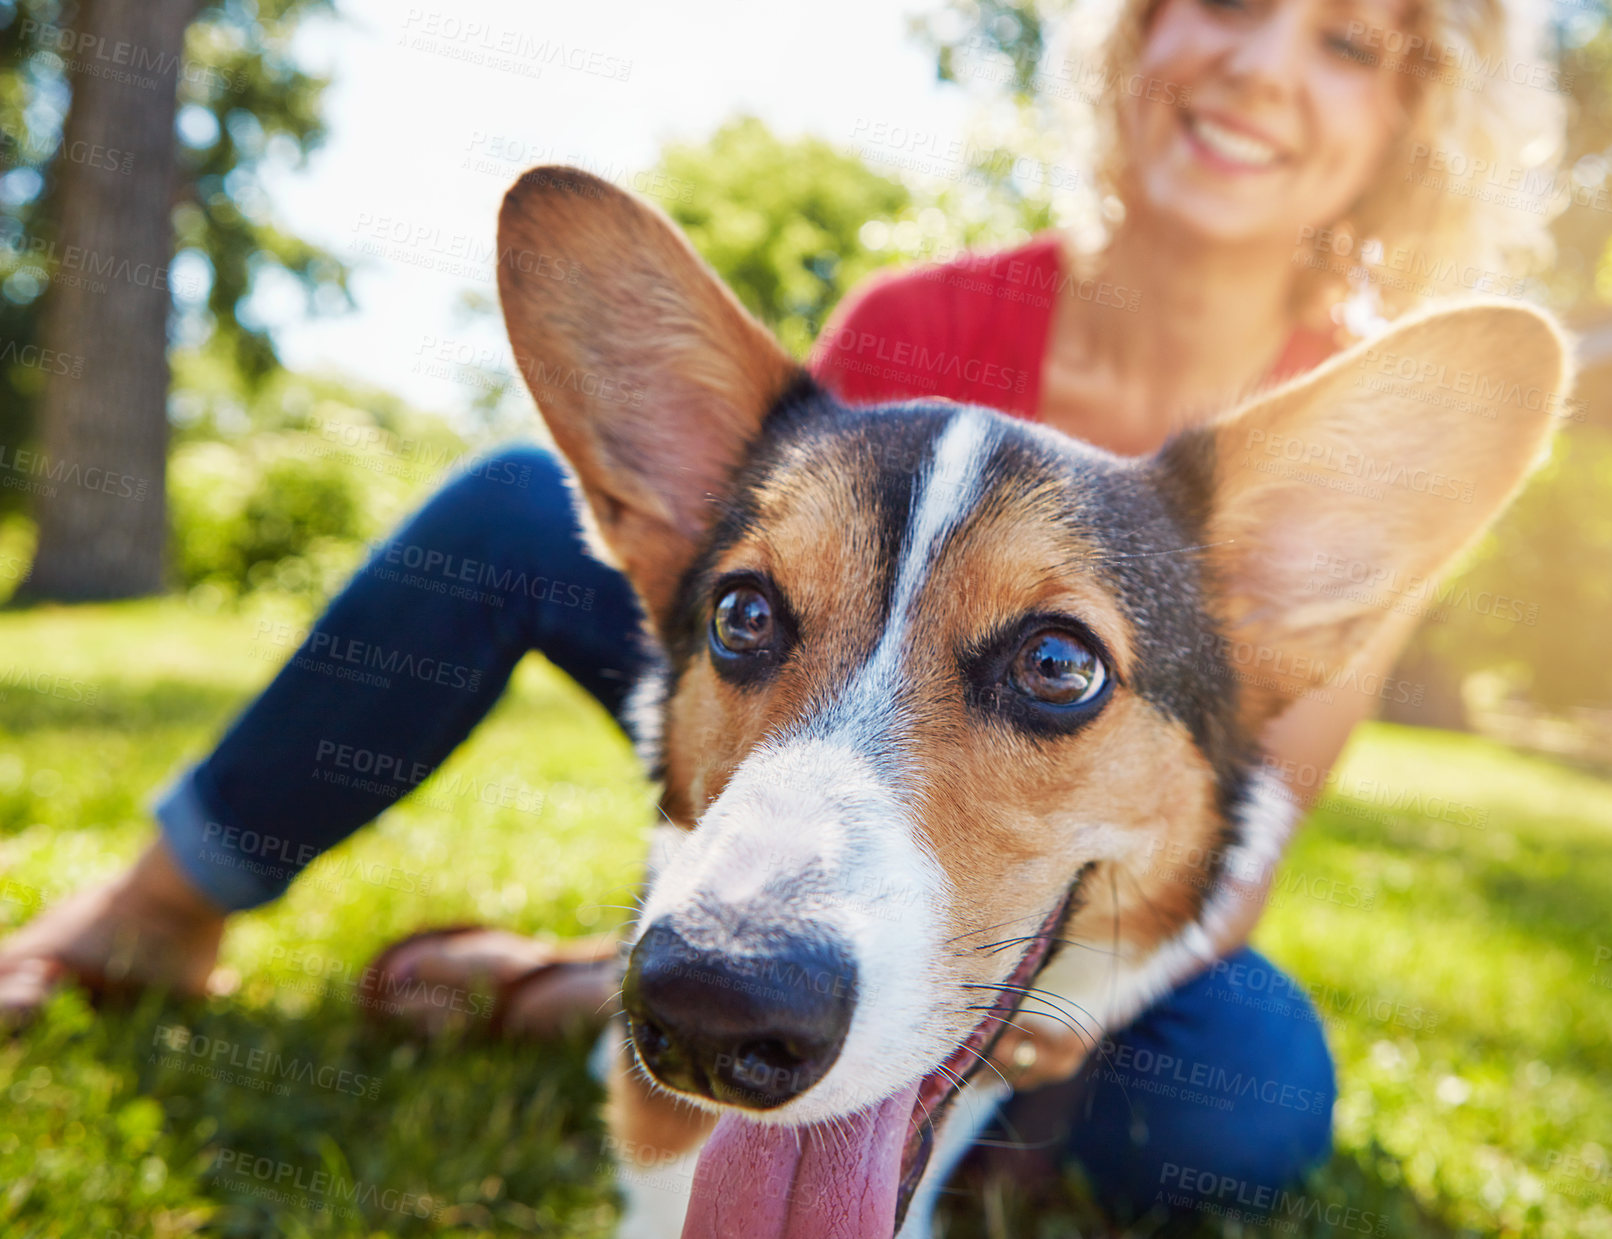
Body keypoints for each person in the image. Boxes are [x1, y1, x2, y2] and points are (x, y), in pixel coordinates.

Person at [0, 0, 1564, 1221]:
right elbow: (788, 696)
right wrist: (744, 868)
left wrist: (1046, 1011)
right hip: (783, 752)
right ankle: (163, 904)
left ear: (1408, 125)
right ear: (1140, 38)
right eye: (1222, 3)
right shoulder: (923, 321)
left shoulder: (1333, 442)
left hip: (1071, 910)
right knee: (507, 510)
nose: (1261, 67)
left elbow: (1243, 821)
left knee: (1245, 1098)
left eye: (1351, 41)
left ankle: (574, 995)